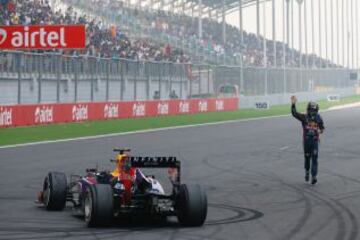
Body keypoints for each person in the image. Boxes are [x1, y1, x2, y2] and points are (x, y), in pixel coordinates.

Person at [291, 96, 325, 185]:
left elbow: (322, 128)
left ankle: (314, 176)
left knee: (314, 158)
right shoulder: (304, 117)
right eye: (311, 110)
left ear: (316, 110)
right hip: (306, 141)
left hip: (314, 141)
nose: (312, 112)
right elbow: (294, 113)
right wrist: (293, 104)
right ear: (308, 110)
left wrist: (320, 131)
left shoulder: (318, 118)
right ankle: (307, 171)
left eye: (314, 110)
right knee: (307, 158)